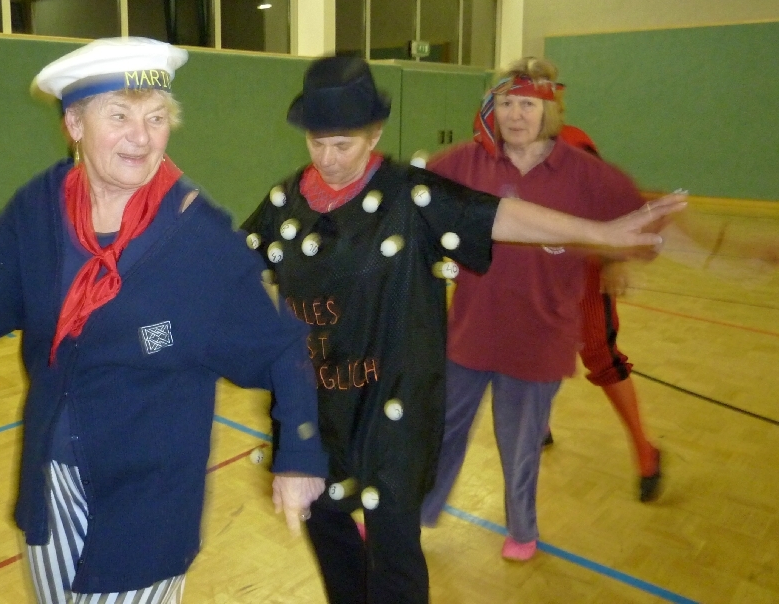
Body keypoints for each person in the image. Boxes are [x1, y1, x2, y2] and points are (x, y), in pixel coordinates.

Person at [0, 37, 327, 604]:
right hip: (51, 479)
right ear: (75, 124)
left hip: (147, 504)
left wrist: (300, 456)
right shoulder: (40, 207)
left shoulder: (199, 237)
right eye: (120, 116)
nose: (142, 137)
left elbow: (281, 346)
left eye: (156, 118)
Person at [241, 56, 684, 602]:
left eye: (344, 144)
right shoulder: (286, 203)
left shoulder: (412, 197)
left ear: (374, 135)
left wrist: (604, 235)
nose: (329, 159)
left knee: (395, 553)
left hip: (394, 408)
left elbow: (501, 216)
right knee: (328, 532)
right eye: (318, 143)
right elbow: (229, 268)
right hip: (320, 407)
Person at [420, 56, 661, 562]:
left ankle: (522, 530)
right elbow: (411, 196)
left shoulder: (582, 172)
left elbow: (635, 216)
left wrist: (615, 256)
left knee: (521, 444)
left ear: (548, 111)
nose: (516, 115)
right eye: (507, 103)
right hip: (470, 331)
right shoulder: (465, 162)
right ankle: (413, 516)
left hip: (540, 335)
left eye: (528, 105)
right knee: (439, 432)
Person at [554, 124, 662, 502]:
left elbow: (606, 198)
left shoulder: (571, 142)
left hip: (584, 263)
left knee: (600, 354)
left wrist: (613, 259)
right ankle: (537, 424)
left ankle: (645, 451)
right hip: (533, 265)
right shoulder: (496, 144)